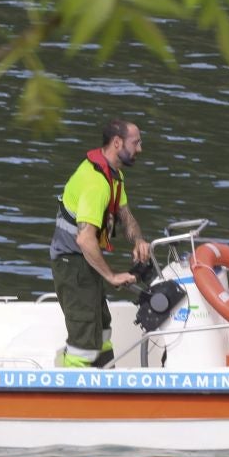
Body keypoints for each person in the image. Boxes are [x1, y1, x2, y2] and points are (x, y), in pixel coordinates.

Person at [49, 118, 152, 367]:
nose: (140, 148)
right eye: (135, 142)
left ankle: (107, 378)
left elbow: (125, 215)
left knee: (102, 327)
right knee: (84, 339)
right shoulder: (96, 184)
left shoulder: (114, 177)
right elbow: (84, 239)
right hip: (72, 264)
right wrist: (112, 276)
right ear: (117, 143)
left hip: (84, 264)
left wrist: (138, 239)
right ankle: (72, 390)